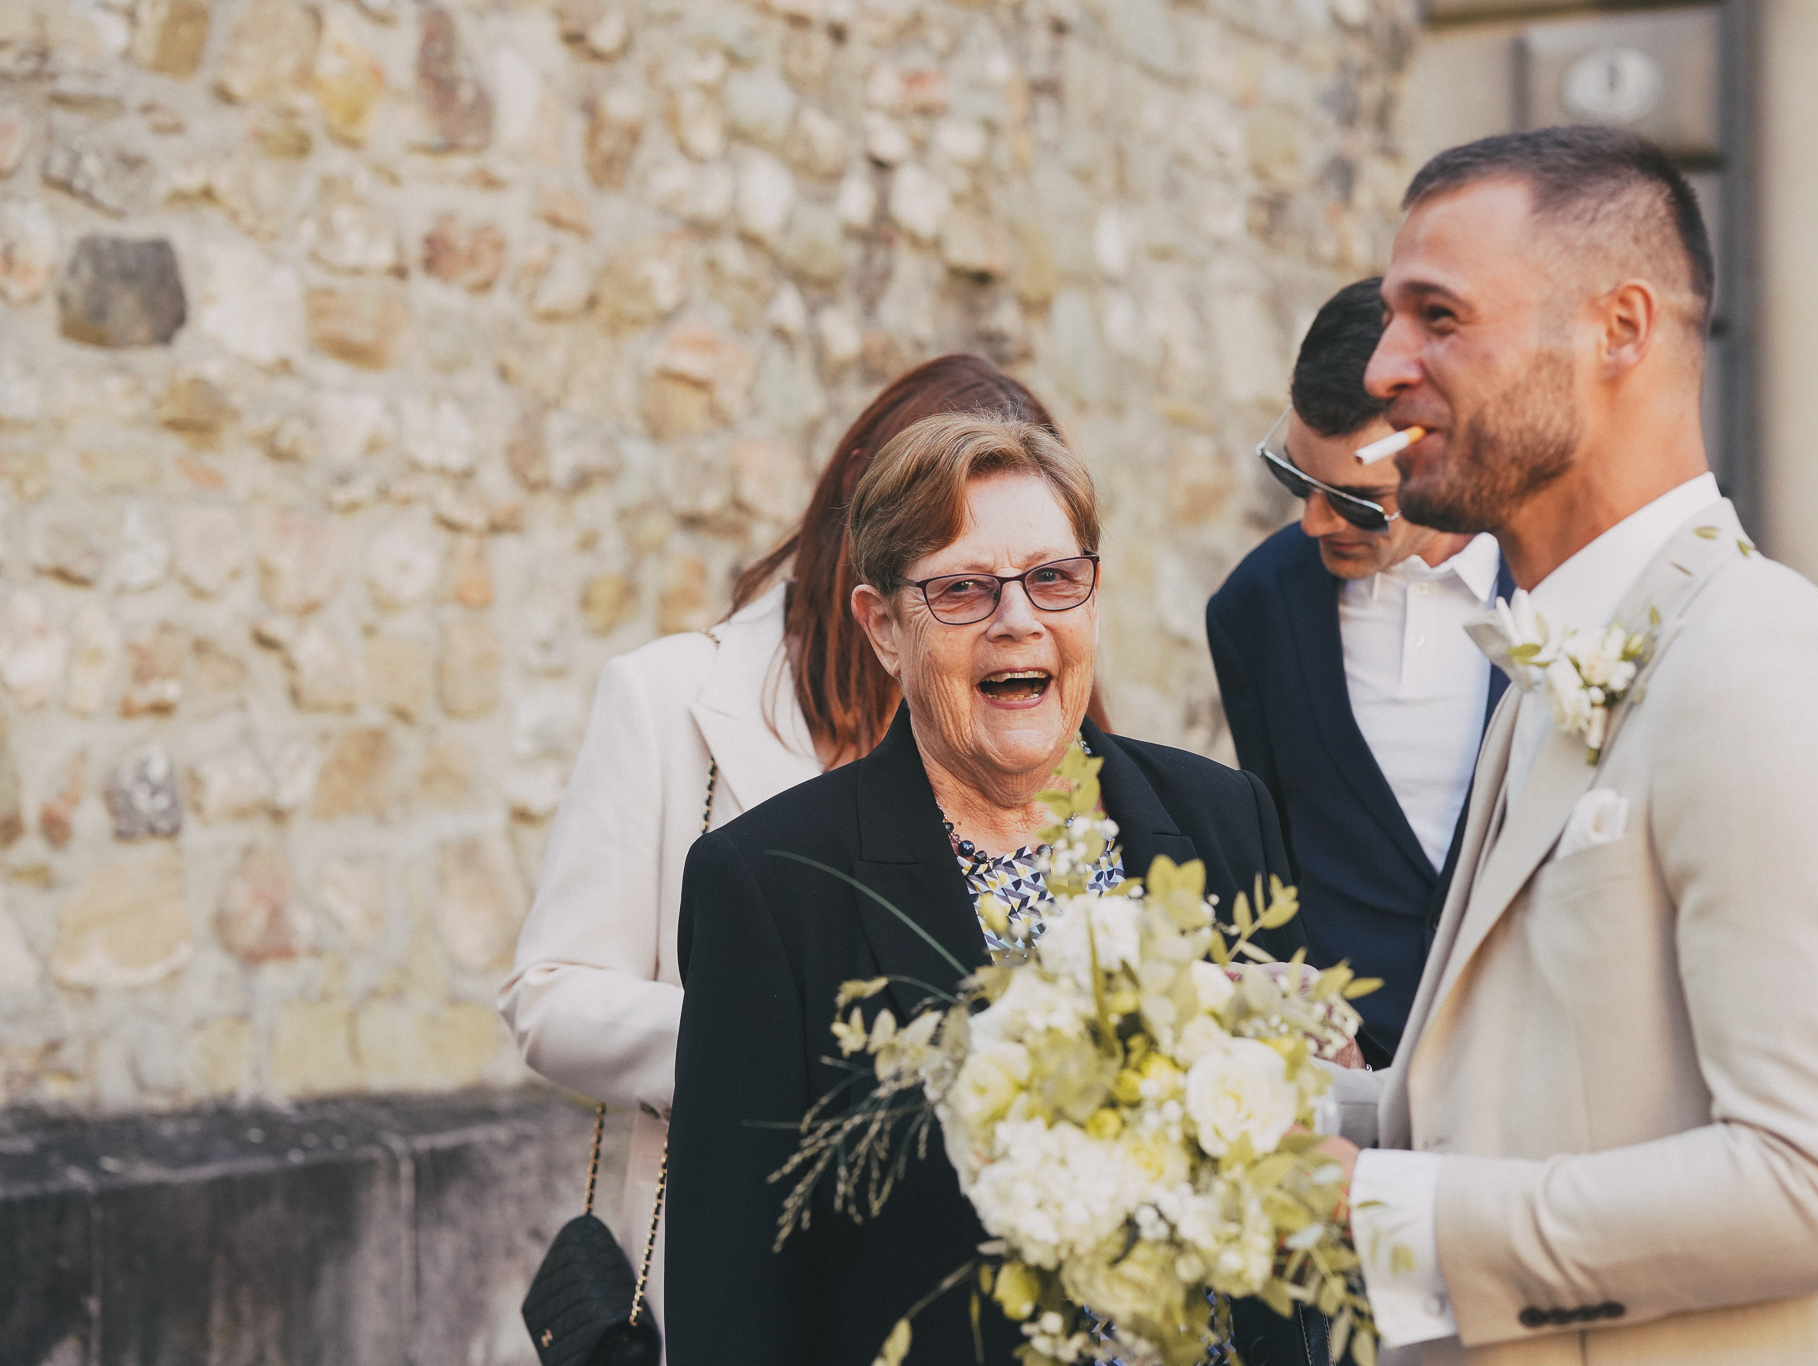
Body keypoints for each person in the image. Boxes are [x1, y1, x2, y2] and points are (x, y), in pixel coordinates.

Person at [1316, 127, 1818, 1365]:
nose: (1383, 367)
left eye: (1437, 316)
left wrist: (1383, 1212)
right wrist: (1214, 1089)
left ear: (1618, 330)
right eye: (1390, 319)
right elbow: (1507, 1108)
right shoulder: (1548, 668)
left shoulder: (1767, 673)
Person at [666, 414, 1314, 1366]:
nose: (1019, 620)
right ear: (884, 629)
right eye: (963, 590)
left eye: (1053, 578)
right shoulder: (771, 889)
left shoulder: (1225, 818)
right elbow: (732, 1308)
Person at [497, 355, 1066, 1337]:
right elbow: (548, 995)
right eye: (955, 567)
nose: (1002, 606)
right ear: (863, 516)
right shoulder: (670, 697)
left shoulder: (1029, 708)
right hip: (740, 1257)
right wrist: (767, 1052)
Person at [1208, 279, 1512, 1065]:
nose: (1315, 522)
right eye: (1297, 481)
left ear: (1440, 444)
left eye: (1357, 501)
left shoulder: (1564, 587)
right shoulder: (1254, 607)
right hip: (1345, 1077)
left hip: (1530, 1062)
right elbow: (1274, 858)